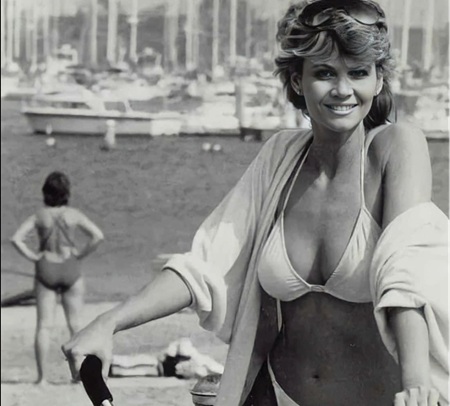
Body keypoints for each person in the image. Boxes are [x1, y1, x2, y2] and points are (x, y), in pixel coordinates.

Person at [62, 1, 448, 405]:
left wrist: (417, 381)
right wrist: (110, 321)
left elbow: (408, 271)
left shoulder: (395, 147)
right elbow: (205, 264)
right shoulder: (280, 157)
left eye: (358, 73)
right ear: (297, 80)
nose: (342, 89)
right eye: (324, 73)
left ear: (379, 80)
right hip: (275, 396)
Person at [11, 171, 104, 385]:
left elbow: (16, 239)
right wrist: (81, 254)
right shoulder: (74, 215)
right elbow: (98, 236)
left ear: (45, 192)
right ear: (67, 193)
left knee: (44, 326)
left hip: (46, 266)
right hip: (70, 265)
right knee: (76, 325)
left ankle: (42, 378)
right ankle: (80, 376)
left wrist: (33, 257)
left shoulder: (39, 216)